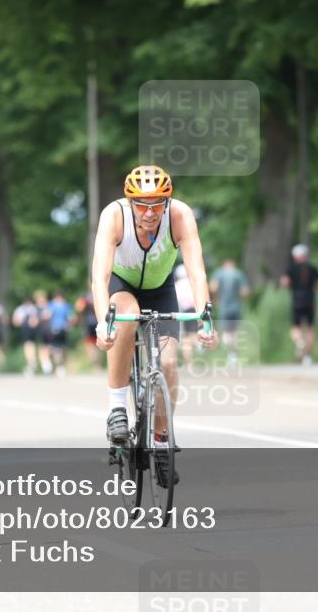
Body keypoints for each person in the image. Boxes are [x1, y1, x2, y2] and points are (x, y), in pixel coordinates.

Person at [91, 165, 217, 486]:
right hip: (123, 285)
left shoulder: (180, 216)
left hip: (161, 290)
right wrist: (103, 322)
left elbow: (196, 271)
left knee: (170, 362)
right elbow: (99, 276)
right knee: (127, 318)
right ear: (129, 202)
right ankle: (118, 408)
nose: (149, 213)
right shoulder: (114, 215)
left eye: (157, 204)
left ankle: (161, 441)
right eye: (142, 205)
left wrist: (205, 317)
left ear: (167, 201)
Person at [280, 244, 318, 365]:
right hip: (310, 299)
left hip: (297, 299)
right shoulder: (312, 267)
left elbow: (284, 282)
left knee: (295, 327)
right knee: (310, 328)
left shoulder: (291, 268)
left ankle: (299, 342)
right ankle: (307, 357)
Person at [209, 258, 250, 364]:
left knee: (225, 331)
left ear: (224, 264)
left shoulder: (219, 273)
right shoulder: (238, 274)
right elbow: (245, 291)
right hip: (236, 306)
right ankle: (233, 355)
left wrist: (215, 298)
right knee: (235, 332)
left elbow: (213, 287)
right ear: (233, 264)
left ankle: (227, 352)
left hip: (224, 306)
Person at [173, 265, 198, 368]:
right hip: (195, 310)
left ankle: (189, 363)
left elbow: (177, 300)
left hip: (184, 311)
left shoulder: (178, 284)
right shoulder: (193, 283)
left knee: (186, 339)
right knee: (193, 334)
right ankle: (197, 344)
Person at [12, 296, 40, 377]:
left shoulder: (20, 309)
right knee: (31, 346)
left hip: (27, 330)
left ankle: (31, 363)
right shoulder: (33, 308)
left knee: (28, 346)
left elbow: (15, 321)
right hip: (30, 330)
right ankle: (32, 363)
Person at [74, 292, 101, 369]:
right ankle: (97, 364)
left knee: (90, 345)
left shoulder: (84, 298)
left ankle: (94, 363)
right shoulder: (99, 295)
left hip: (88, 324)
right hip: (97, 322)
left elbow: (78, 308)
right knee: (97, 345)